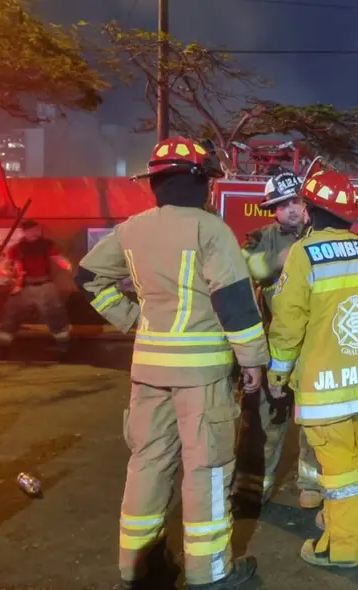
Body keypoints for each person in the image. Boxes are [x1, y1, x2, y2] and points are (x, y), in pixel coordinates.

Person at [75, 136, 267, 590]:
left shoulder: (131, 229)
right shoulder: (210, 229)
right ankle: (210, 572)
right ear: (200, 182)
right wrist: (253, 360)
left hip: (148, 371)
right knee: (208, 467)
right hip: (201, 375)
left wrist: (131, 318)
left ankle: (138, 565)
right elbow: (235, 302)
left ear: (155, 183)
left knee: (148, 462)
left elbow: (86, 278)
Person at [266, 163, 358, 568]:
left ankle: (343, 548)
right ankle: (337, 526)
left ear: (309, 210)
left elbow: (288, 323)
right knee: (349, 460)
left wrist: (277, 374)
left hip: (323, 388)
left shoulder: (303, 255)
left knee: (340, 472)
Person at [238, 168, 322, 511]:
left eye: (296, 201)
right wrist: (280, 259)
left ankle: (312, 485)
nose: (290, 208)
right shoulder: (261, 238)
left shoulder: (322, 236)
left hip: (312, 348)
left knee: (312, 422)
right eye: (282, 203)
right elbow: (246, 271)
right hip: (273, 349)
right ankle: (251, 489)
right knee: (264, 423)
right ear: (271, 209)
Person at [0, 219, 73, 361]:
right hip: (24, 287)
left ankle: (64, 349)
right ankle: (1, 349)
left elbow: (58, 257)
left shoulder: (47, 245)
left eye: (38, 230)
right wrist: (6, 271)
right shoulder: (16, 248)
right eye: (33, 230)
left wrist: (66, 264)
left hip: (45, 286)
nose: (36, 233)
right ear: (25, 232)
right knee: (11, 317)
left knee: (55, 315)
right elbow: (5, 265)